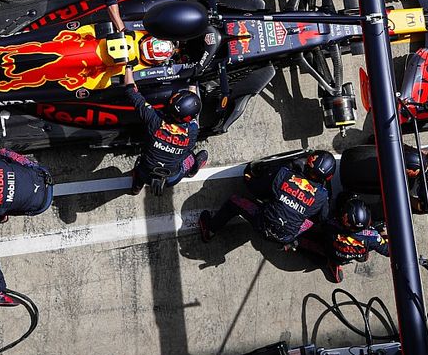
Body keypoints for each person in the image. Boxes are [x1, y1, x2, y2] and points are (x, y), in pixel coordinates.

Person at [198, 151, 336, 246]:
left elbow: (256, 189)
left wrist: (250, 179)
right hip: (286, 237)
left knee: (235, 201)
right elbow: (323, 219)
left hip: (263, 224)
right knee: (309, 221)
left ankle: (209, 230)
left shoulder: (285, 175)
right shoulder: (323, 196)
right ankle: (292, 243)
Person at [123, 66, 208, 195]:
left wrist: (128, 67)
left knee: (141, 169)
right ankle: (192, 170)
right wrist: (193, 82)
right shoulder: (192, 130)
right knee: (190, 157)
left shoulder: (154, 119)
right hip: (172, 178)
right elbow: (194, 116)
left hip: (145, 172)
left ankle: (136, 188)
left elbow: (131, 92)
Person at [298, 192, 389, 283]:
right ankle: (353, 257)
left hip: (331, 251)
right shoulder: (372, 237)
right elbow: (388, 251)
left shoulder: (331, 225)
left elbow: (322, 220)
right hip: (350, 256)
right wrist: (383, 234)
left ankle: (330, 262)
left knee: (303, 239)